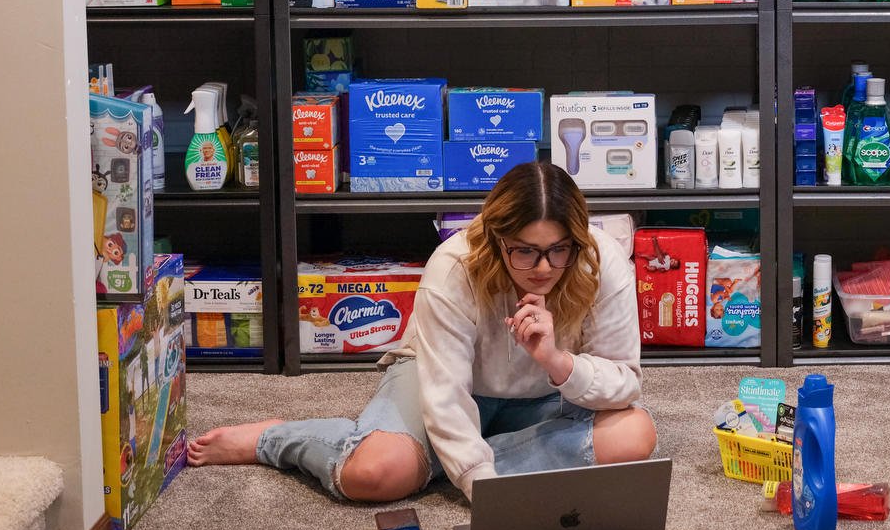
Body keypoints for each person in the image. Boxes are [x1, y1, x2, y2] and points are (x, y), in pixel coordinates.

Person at [189, 161, 656, 501]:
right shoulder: (453, 264)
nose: (543, 267)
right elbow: (448, 395)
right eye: (524, 251)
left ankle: (432, 467)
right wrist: (486, 490)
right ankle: (276, 437)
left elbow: (625, 382)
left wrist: (558, 361)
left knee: (635, 434)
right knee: (374, 474)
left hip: (543, 396)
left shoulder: (602, 263)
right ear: (496, 240)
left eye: (559, 251)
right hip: (438, 379)